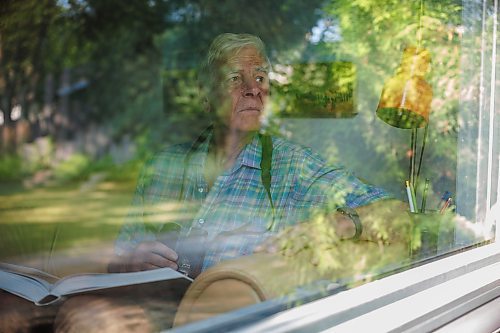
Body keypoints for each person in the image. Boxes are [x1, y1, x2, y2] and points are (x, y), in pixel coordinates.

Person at [109, 33, 408, 276]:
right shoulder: (162, 167)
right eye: (235, 79)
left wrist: (331, 226)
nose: (254, 89)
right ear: (206, 95)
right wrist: (128, 263)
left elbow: (395, 214)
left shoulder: (293, 166)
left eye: (261, 77)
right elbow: (117, 262)